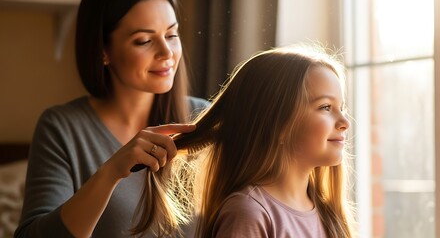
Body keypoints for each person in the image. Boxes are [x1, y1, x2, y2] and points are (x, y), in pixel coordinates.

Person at [14, 0, 208, 237]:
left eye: (171, 35)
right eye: (144, 40)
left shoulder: (204, 120)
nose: (166, 53)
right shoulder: (61, 128)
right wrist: (111, 171)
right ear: (104, 51)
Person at [134, 44, 357, 237]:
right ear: (277, 123)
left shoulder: (329, 214)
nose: (344, 121)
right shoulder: (249, 213)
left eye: (342, 108)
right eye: (326, 107)